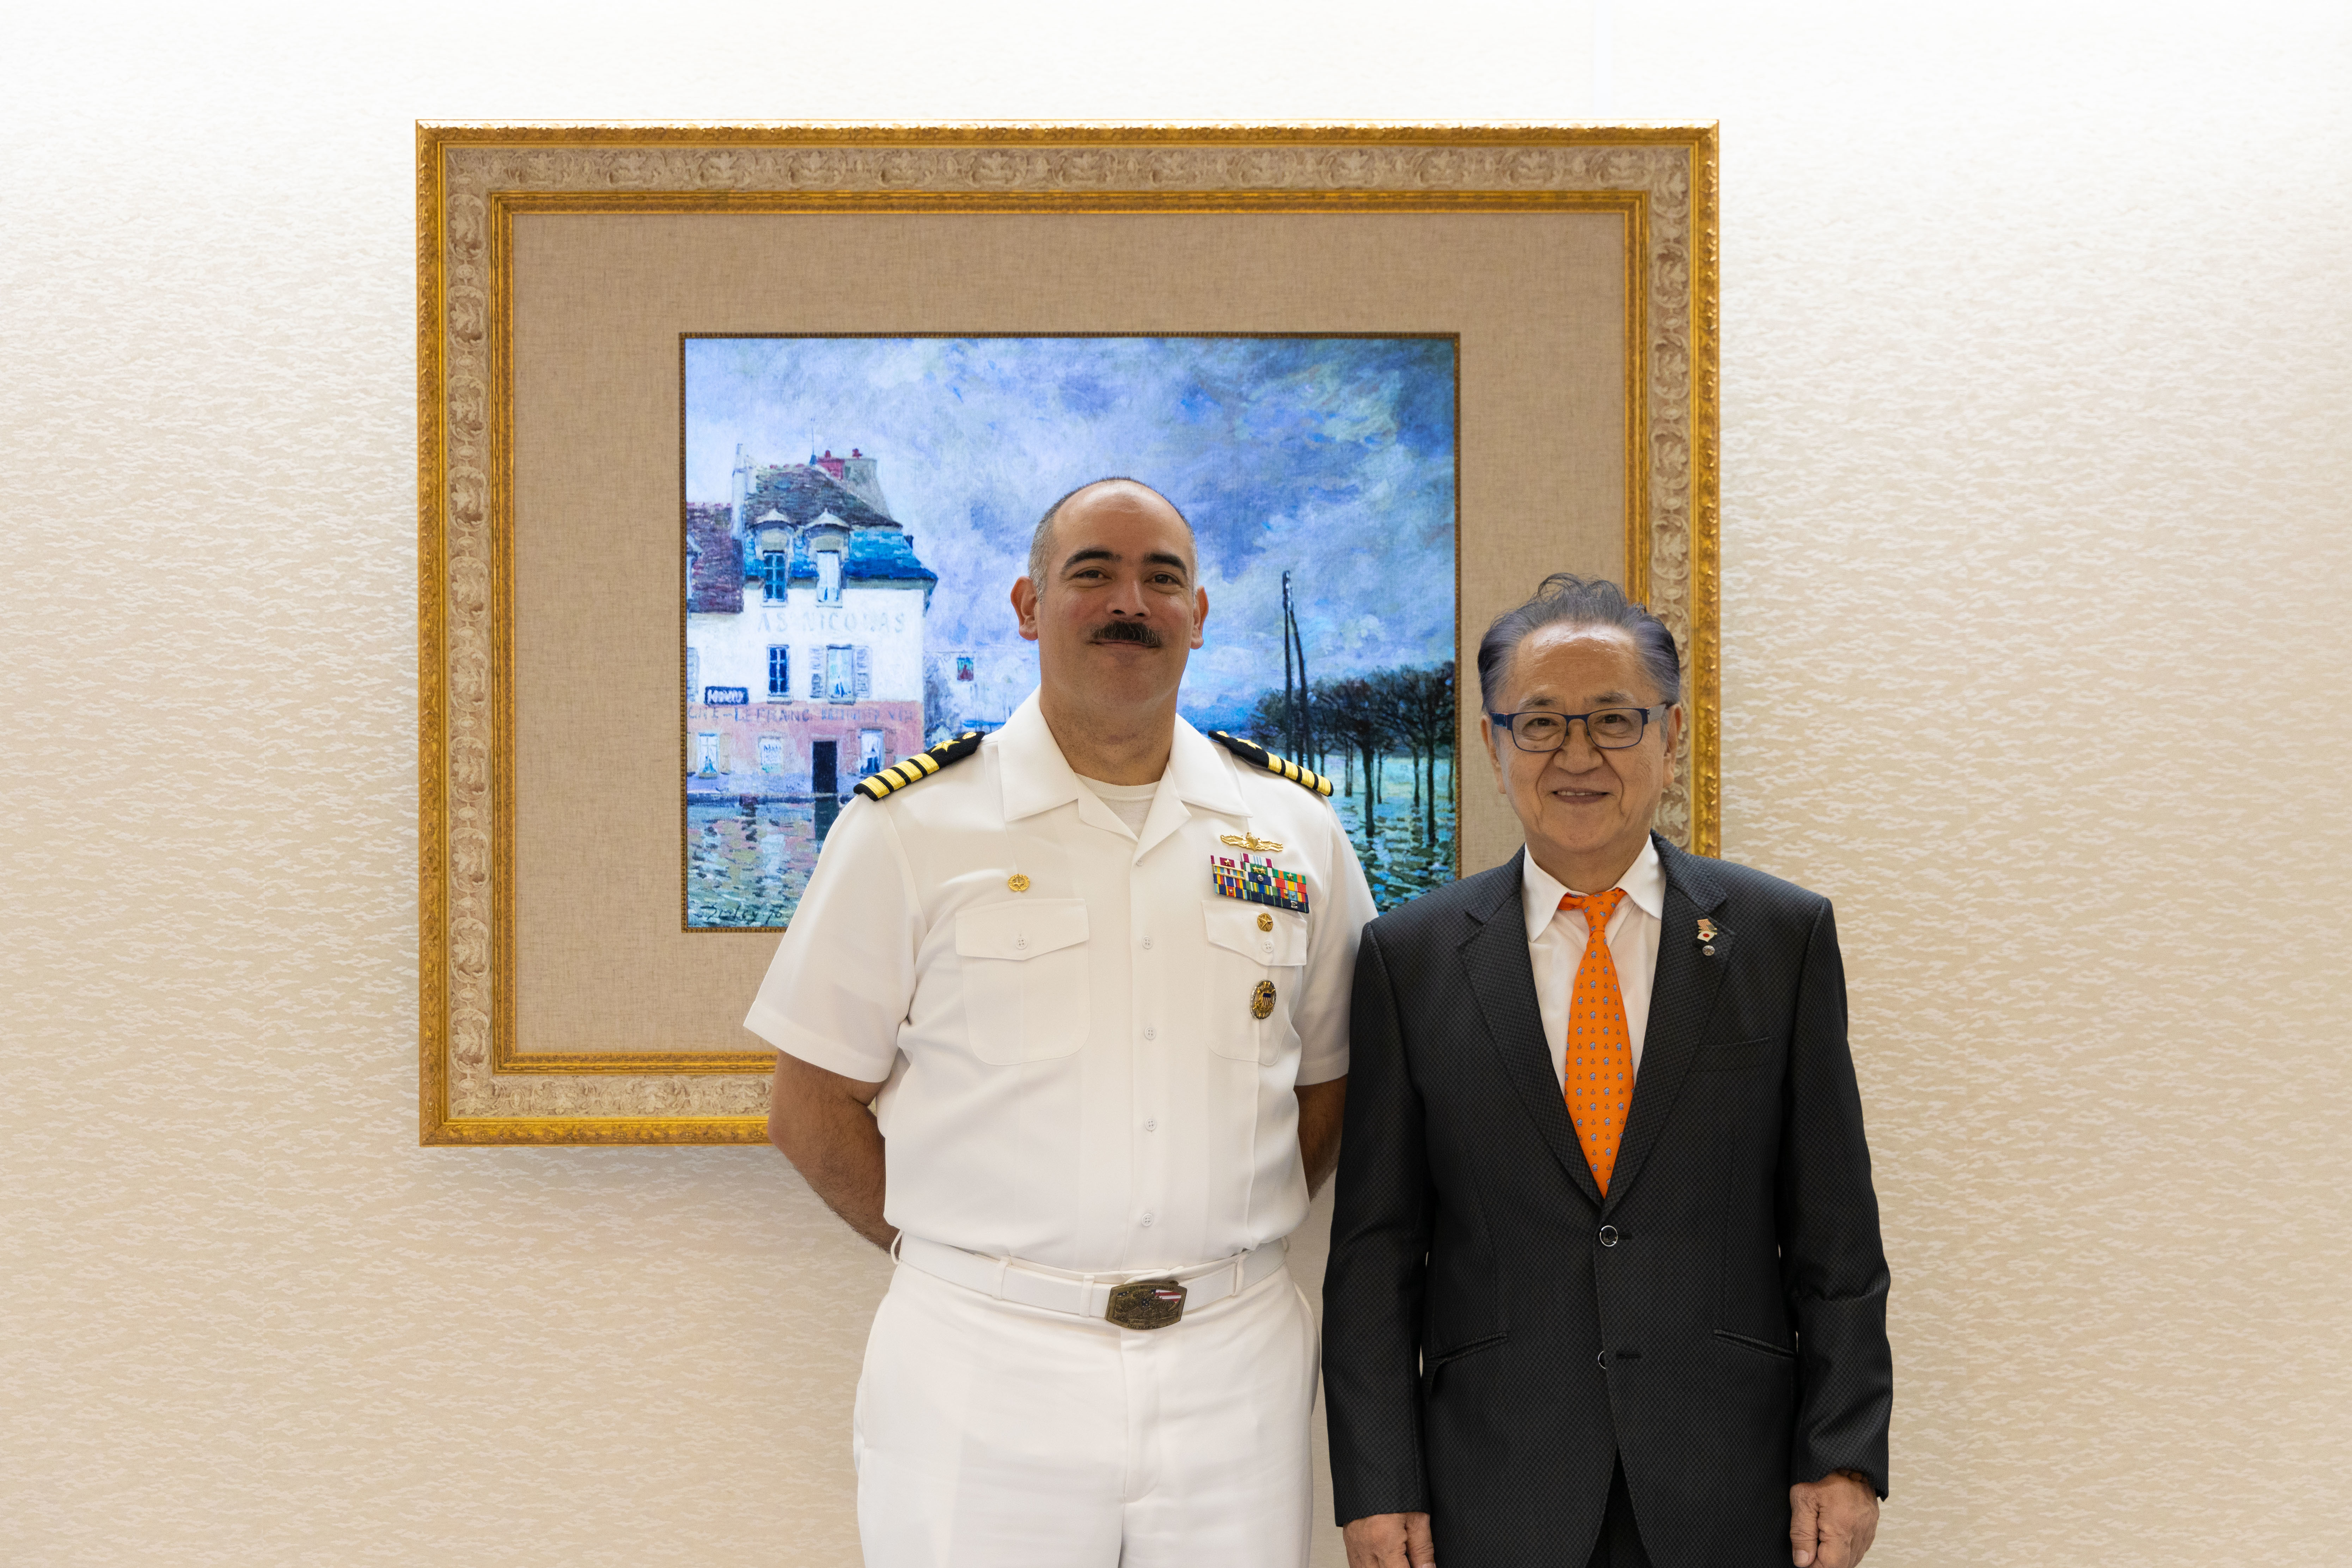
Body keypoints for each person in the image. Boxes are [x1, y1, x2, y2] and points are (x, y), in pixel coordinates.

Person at [746, 477, 1377, 1568]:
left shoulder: (1295, 830)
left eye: (1160, 577)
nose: (1127, 601)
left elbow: (1331, 1087)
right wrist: (968, 1259)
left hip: (1234, 1371)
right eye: (1092, 573)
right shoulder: (914, 827)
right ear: (1029, 605)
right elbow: (811, 1108)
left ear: (1198, 612)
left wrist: (1222, 1225)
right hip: (980, 1368)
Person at [1321, 573, 1892, 1568]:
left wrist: (1843, 1455)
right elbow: (1376, 1256)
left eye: (1614, 720)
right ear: (1494, 745)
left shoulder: (1780, 937)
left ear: (1670, 738)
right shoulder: (1406, 960)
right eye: (1540, 723)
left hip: (1730, 1473)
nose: (1577, 755)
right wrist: (1379, 1484)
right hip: (1493, 1477)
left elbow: (1836, 1236)